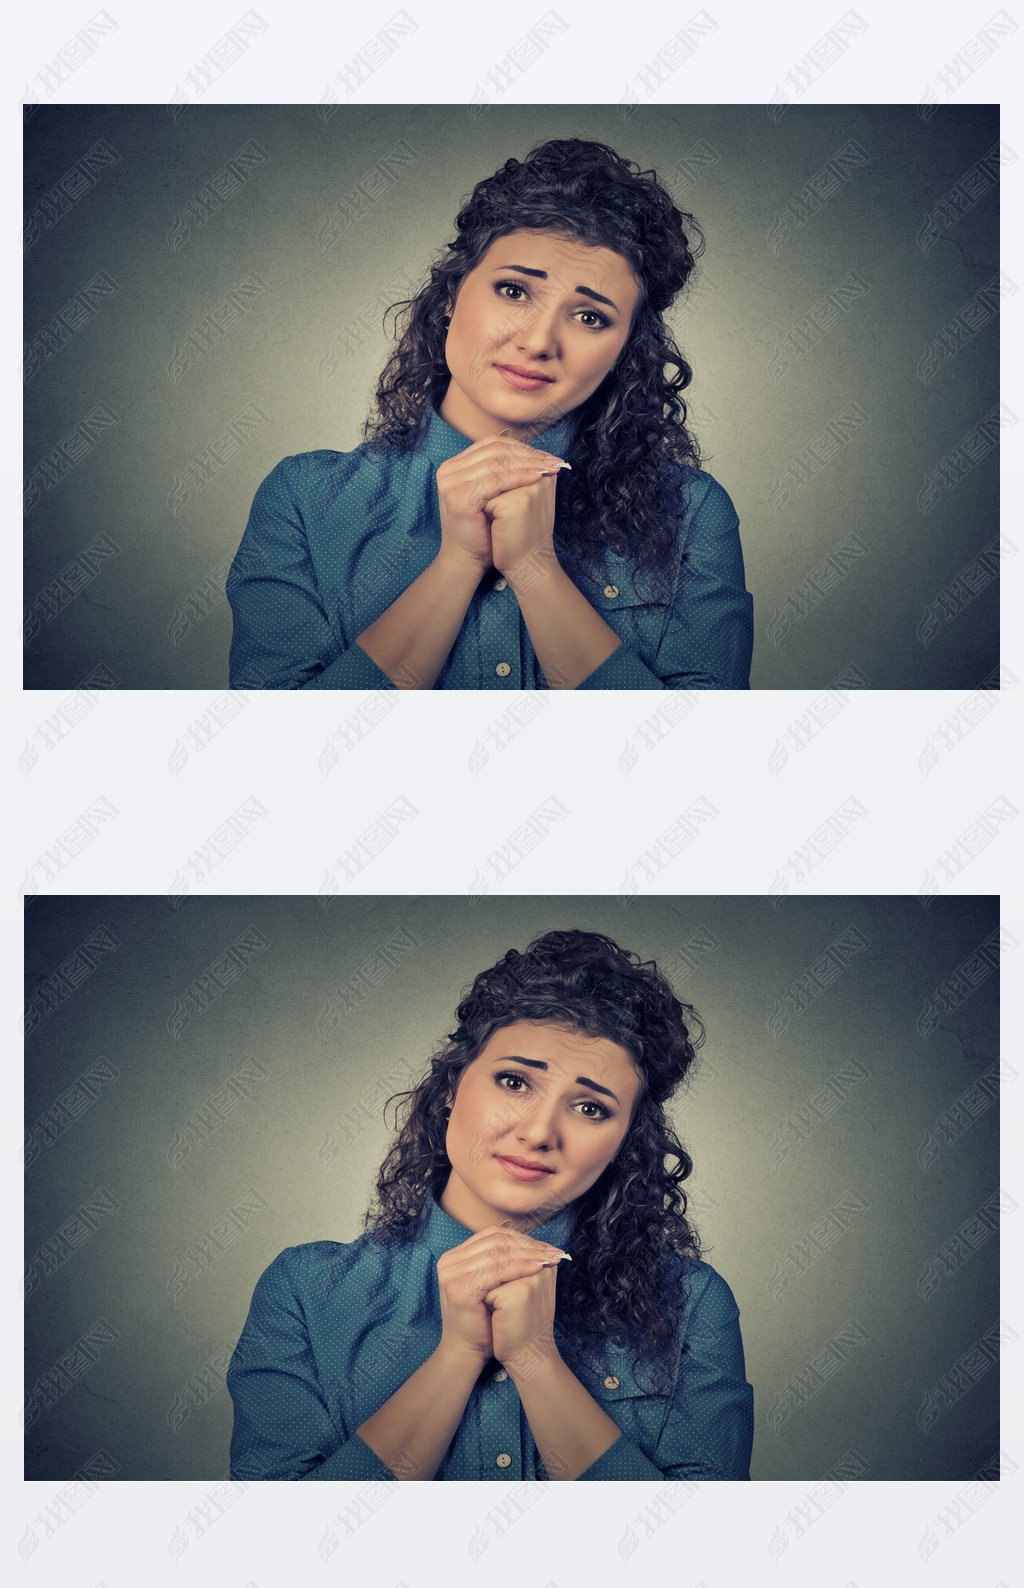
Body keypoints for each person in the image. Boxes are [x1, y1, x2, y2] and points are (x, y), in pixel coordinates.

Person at [227, 929, 754, 1480]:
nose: (538, 1132)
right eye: (514, 1081)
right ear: (454, 1083)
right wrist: (457, 1354)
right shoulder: (306, 1290)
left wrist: (537, 1360)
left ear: (626, 1138)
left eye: (591, 1108)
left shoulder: (690, 1302)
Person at [227, 139, 753, 689]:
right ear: (453, 292)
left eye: (590, 317)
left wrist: (536, 569)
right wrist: (457, 563)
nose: (538, 341)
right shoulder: (305, 498)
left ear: (625, 347)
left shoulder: (690, 511)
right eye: (513, 290)